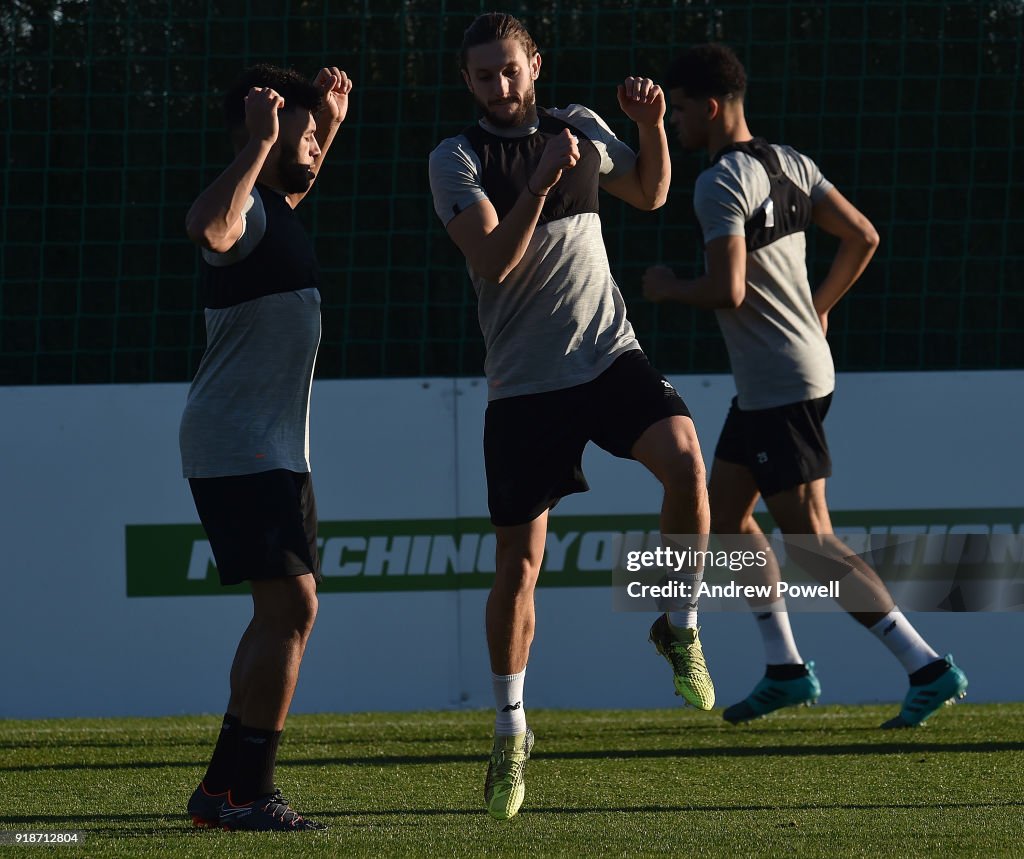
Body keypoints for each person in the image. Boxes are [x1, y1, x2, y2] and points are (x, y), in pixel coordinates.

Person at [429, 12, 713, 822]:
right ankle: (511, 725)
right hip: (524, 386)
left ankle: (679, 622)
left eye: (510, 69)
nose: (500, 85)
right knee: (518, 568)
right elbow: (491, 260)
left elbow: (652, 193)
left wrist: (652, 127)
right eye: (484, 75)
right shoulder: (456, 157)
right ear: (469, 82)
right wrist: (545, 180)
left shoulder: (580, 126)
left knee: (687, 459)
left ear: (535, 66)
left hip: (608, 355)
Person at [643, 43, 967, 729]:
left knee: (814, 541)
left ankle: (926, 665)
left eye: (676, 111)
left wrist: (670, 289)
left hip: (782, 384)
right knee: (728, 518)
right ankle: (785, 667)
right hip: (784, 377)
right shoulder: (790, 161)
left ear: (707, 106)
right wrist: (820, 305)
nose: (672, 124)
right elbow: (864, 236)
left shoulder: (716, 183)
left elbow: (727, 289)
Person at [180, 62, 352, 831]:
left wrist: (328, 124)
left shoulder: (276, 207)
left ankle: (222, 788)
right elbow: (206, 227)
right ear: (266, 131)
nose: (313, 143)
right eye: (305, 132)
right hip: (241, 445)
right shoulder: (242, 211)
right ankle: (251, 790)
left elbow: (292, 185)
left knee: (278, 612)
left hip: (272, 447)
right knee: (294, 606)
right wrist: (260, 137)